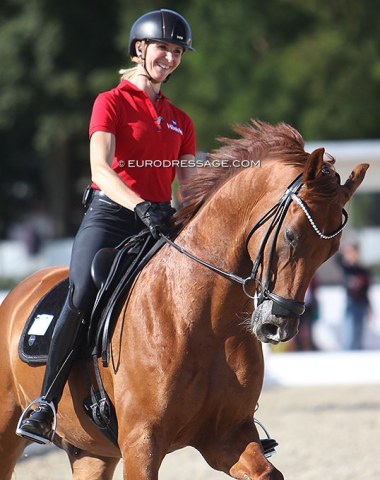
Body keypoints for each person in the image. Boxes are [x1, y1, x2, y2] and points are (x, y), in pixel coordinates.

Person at [16, 8, 196, 445]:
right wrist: (140, 207)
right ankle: (45, 402)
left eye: (176, 52)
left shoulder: (182, 120)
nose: (169, 58)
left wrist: (189, 218)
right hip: (112, 215)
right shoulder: (110, 102)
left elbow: (188, 187)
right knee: (81, 291)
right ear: (140, 49)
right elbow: (102, 166)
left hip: (159, 223)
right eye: (162, 49)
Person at [337, 243, 371, 350]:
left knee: (359, 332)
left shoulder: (362, 270)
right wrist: (344, 250)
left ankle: (358, 352)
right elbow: (337, 259)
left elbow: (366, 291)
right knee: (349, 331)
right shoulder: (347, 268)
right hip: (351, 303)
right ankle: (347, 353)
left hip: (362, 303)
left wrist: (370, 307)